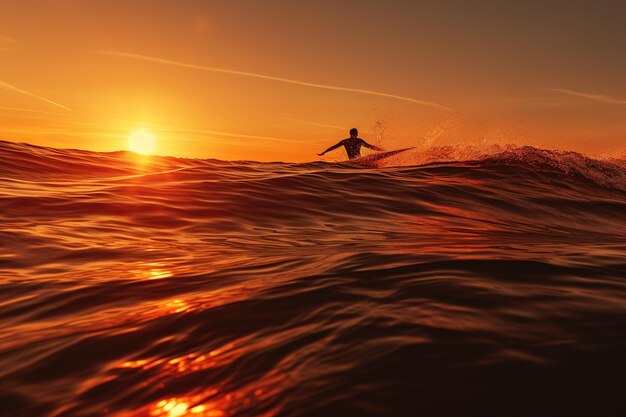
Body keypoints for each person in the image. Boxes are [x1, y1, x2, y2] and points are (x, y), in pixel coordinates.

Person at [317, 128, 384, 160]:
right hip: (359, 160)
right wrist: (381, 150)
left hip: (352, 161)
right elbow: (370, 147)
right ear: (357, 134)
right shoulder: (359, 140)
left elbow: (333, 147)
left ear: (350, 134)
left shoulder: (345, 141)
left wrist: (324, 152)